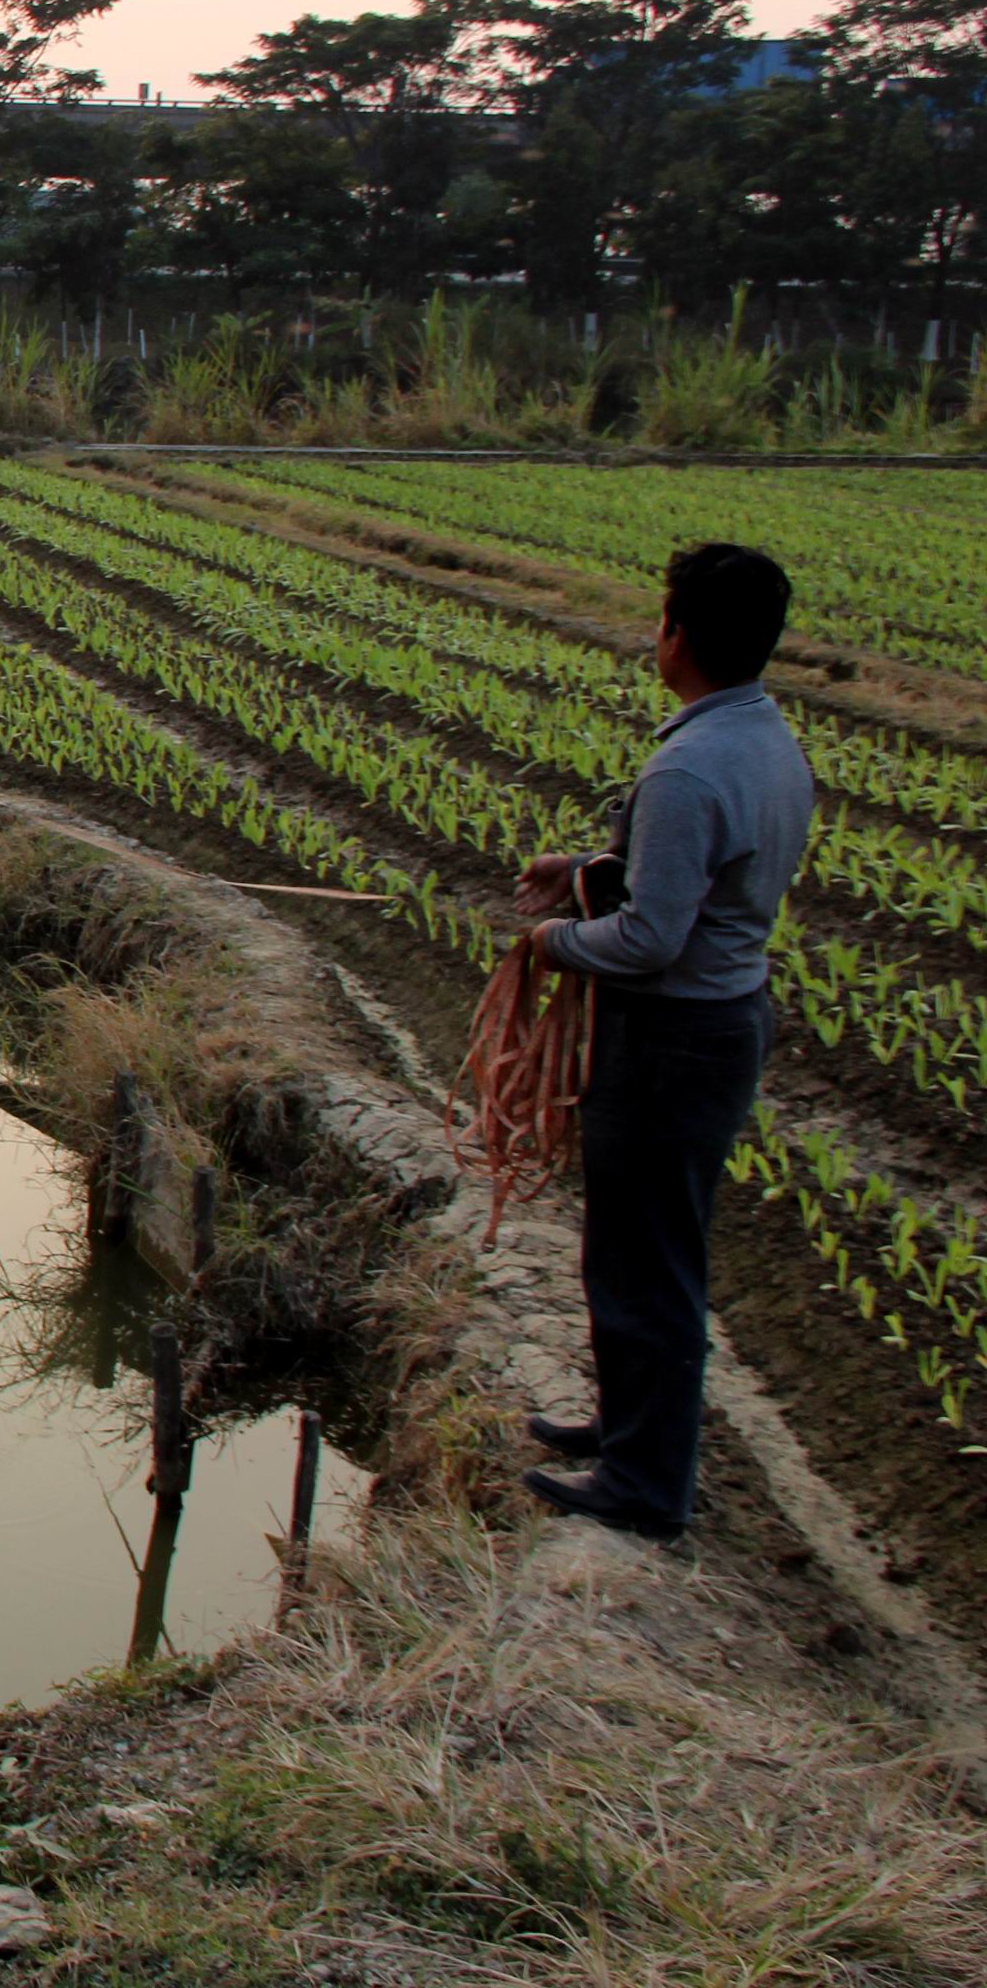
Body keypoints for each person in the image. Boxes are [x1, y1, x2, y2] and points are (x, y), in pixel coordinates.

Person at [513, 540, 813, 1542]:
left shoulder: (687, 767)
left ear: (678, 636)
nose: (657, 633)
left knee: (646, 1261)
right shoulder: (765, 739)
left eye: (663, 617)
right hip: (721, 1024)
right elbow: (692, 882)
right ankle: (626, 1429)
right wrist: (588, 866)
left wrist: (552, 942)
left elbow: (649, 938)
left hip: (671, 1041)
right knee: (643, 1249)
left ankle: (644, 1486)